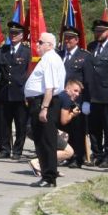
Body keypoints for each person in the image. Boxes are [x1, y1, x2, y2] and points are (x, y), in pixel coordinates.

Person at [25, 32, 66, 188]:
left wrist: (44, 108)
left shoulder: (50, 59)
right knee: (42, 141)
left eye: (40, 42)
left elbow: (50, 87)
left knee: (46, 141)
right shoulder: (49, 58)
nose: (37, 45)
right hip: (41, 101)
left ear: (49, 45)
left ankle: (49, 177)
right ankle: (47, 175)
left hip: (44, 102)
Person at [28, 80, 83, 177]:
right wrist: (73, 114)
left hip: (33, 125)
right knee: (69, 152)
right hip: (39, 127)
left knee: (65, 136)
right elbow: (64, 120)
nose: (77, 94)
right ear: (67, 88)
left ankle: (52, 167)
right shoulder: (66, 98)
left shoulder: (60, 95)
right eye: (75, 90)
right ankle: (37, 162)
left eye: (79, 92)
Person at [58, 26, 93, 168]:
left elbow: (88, 80)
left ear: (77, 40)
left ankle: (78, 157)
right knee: (64, 129)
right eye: (65, 38)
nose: (67, 41)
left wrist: (87, 101)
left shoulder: (84, 56)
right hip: (62, 99)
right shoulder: (59, 55)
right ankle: (67, 154)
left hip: (77, 100)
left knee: (77, 130)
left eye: (70, 38)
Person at [85, 20, 108, 168]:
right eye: (96, 31)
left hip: (106, 94)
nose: (98, 34)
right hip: (92, 93)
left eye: (101, 31)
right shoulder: (91, 47)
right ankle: (96, 153)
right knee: (94, 127)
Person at [0, 21, 33, 159]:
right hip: (5, 91)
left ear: (22, 36)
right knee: (4, 123)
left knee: (20, 124)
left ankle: (17, 151)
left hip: (20, 93)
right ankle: (5, 150)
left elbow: (29, 72)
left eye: (16, 33)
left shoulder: (27, 52)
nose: (13, 36)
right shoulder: (3, 50)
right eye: (11, 33)